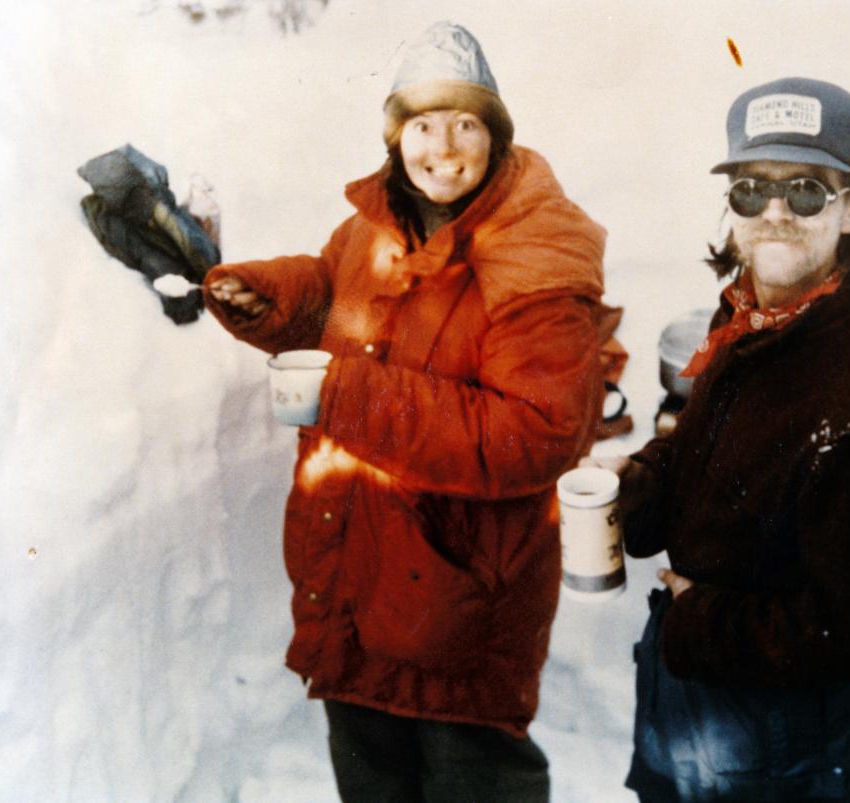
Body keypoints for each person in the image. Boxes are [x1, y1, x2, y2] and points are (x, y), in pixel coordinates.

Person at [202, 21, 607, 803]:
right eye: (422, 122)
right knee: (371, 776)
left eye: (466, 122)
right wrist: (275, 297)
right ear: (396, 136)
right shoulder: (372, 227)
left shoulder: (535, 250)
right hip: (360, 580)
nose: (443, 145)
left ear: (495, 134)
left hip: (459, 608)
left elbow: (536, 431)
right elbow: (335, 289)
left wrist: (348, 392)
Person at [588, 77, 850, 802]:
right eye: (752, 190)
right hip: (696, 703)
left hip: (784, 744)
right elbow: (706, 441)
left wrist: (698, 619)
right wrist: (642, 480)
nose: (775, 212)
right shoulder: (754, 313)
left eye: (806, 190)